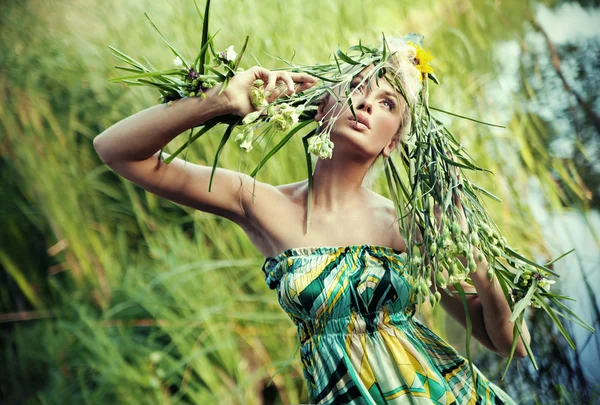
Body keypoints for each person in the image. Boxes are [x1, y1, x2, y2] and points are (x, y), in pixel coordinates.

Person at [94, 38, 529, 404]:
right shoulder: (259, 203)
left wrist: (482, 271)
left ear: (394, 140)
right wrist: (219, 101)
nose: (365, 103)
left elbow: (509, 345)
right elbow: (115, 150)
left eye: (387, 102)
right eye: (356, 87)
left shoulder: (406, 226)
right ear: (323, 105)